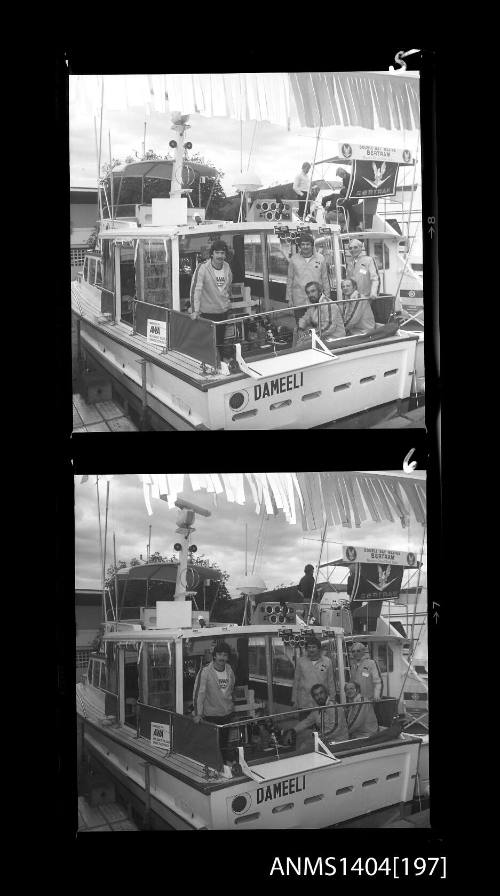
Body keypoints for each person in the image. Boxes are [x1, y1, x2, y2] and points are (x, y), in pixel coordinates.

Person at [190, 240, 233, 361]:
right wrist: (195, 310)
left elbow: (228, 286)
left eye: (223, 253)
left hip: (223, 312)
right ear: (212, 254)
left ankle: (219, 363)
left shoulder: (227, 267)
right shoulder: (202, 268)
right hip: (207, 313)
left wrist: (227, 303)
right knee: (208, 342)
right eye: (217, 252)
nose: (220, 256)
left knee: (219, 341)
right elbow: (195, 290)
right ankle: (208, 363)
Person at [192, 641, 235, 742]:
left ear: (228, 657)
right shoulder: (205, 672)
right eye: (219, 654)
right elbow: (198, 694)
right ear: (214, 656)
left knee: (223, 745)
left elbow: (231, 690)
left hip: (227, 715)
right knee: (212, 746)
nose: (222, 658)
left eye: (225, 655)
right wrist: (198, 714)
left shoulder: (230, 671)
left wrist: (231, 709)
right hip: (211, 717)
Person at [286, 232, 330, 325]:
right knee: (301, 326)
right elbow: (289, 280)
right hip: (299, 300)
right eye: (303, 244)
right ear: (299, 246)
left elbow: (325, 279)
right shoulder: (294, 259)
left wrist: (327, 297)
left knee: (318, 325)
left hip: (316, 300)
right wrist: (289, 299)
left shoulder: (321, 258)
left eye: (308, 244)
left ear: (312, 245)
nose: (305, 247)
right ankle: (303, 340)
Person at [292, 636, 335, 709]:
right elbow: (296, 682)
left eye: (313, 647)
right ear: (306, 649)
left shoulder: (327, 661)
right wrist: (294, 700)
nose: (311, 649)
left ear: (319, 649)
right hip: (304, 703)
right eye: (309, 647)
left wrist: (332, 699)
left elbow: (330, 681)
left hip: (322, 703)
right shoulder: (300, 662)